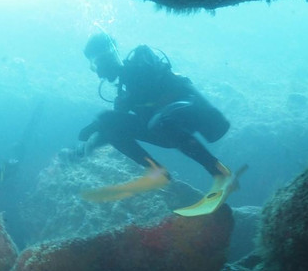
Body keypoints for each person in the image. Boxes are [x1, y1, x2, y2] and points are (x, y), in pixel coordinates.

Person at [74, 31, 233, 195]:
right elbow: (113, 127)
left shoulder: (142, 59)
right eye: (93, 66)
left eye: (97, 64)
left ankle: (217, 170)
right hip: (167, 130)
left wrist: (128, 94)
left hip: (191, 114)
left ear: (109, 56)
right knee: (106, 120)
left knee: (158, 121)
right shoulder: (125, 88)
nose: (97, 72)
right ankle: (158, 174)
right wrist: (89, 142)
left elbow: (152, 87)